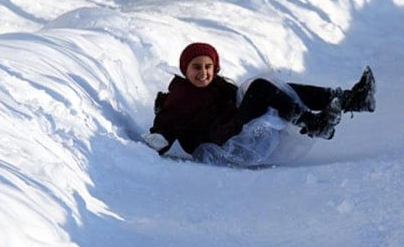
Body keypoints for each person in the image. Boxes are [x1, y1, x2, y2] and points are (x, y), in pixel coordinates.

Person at [143, 42, 375, 163]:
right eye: (196, 67)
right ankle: (313, 123)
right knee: (260, 88)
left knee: (277, 89)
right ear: (185, 69)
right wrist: (159, 139)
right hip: (221, 145)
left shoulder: (216, 87)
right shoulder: (183, 95)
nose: (203, 73)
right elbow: (168, 122)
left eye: (208, 67)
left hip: (229, 129)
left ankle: (351, 100)